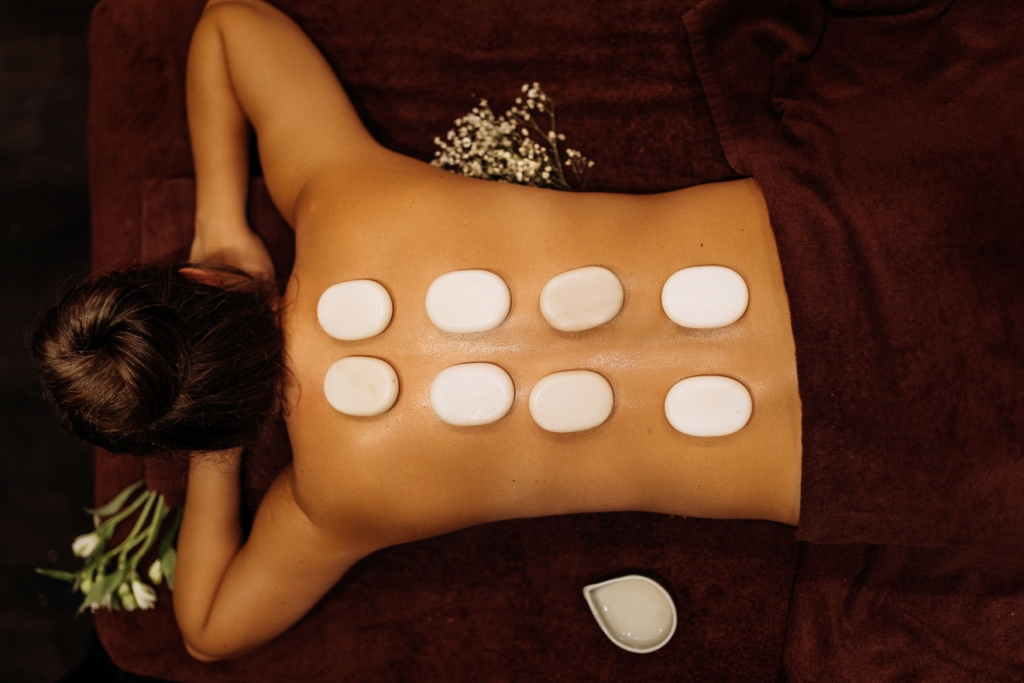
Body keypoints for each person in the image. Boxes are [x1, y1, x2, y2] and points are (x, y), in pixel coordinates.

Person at [31, 0, 802, 661]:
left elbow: (207, 627)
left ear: (200, 427)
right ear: (196, 280)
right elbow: (231, 24)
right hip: (817, 237)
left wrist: (217, 445)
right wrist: (221, 227)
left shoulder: (335, 500)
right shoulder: (341, 194)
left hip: (832, 452)